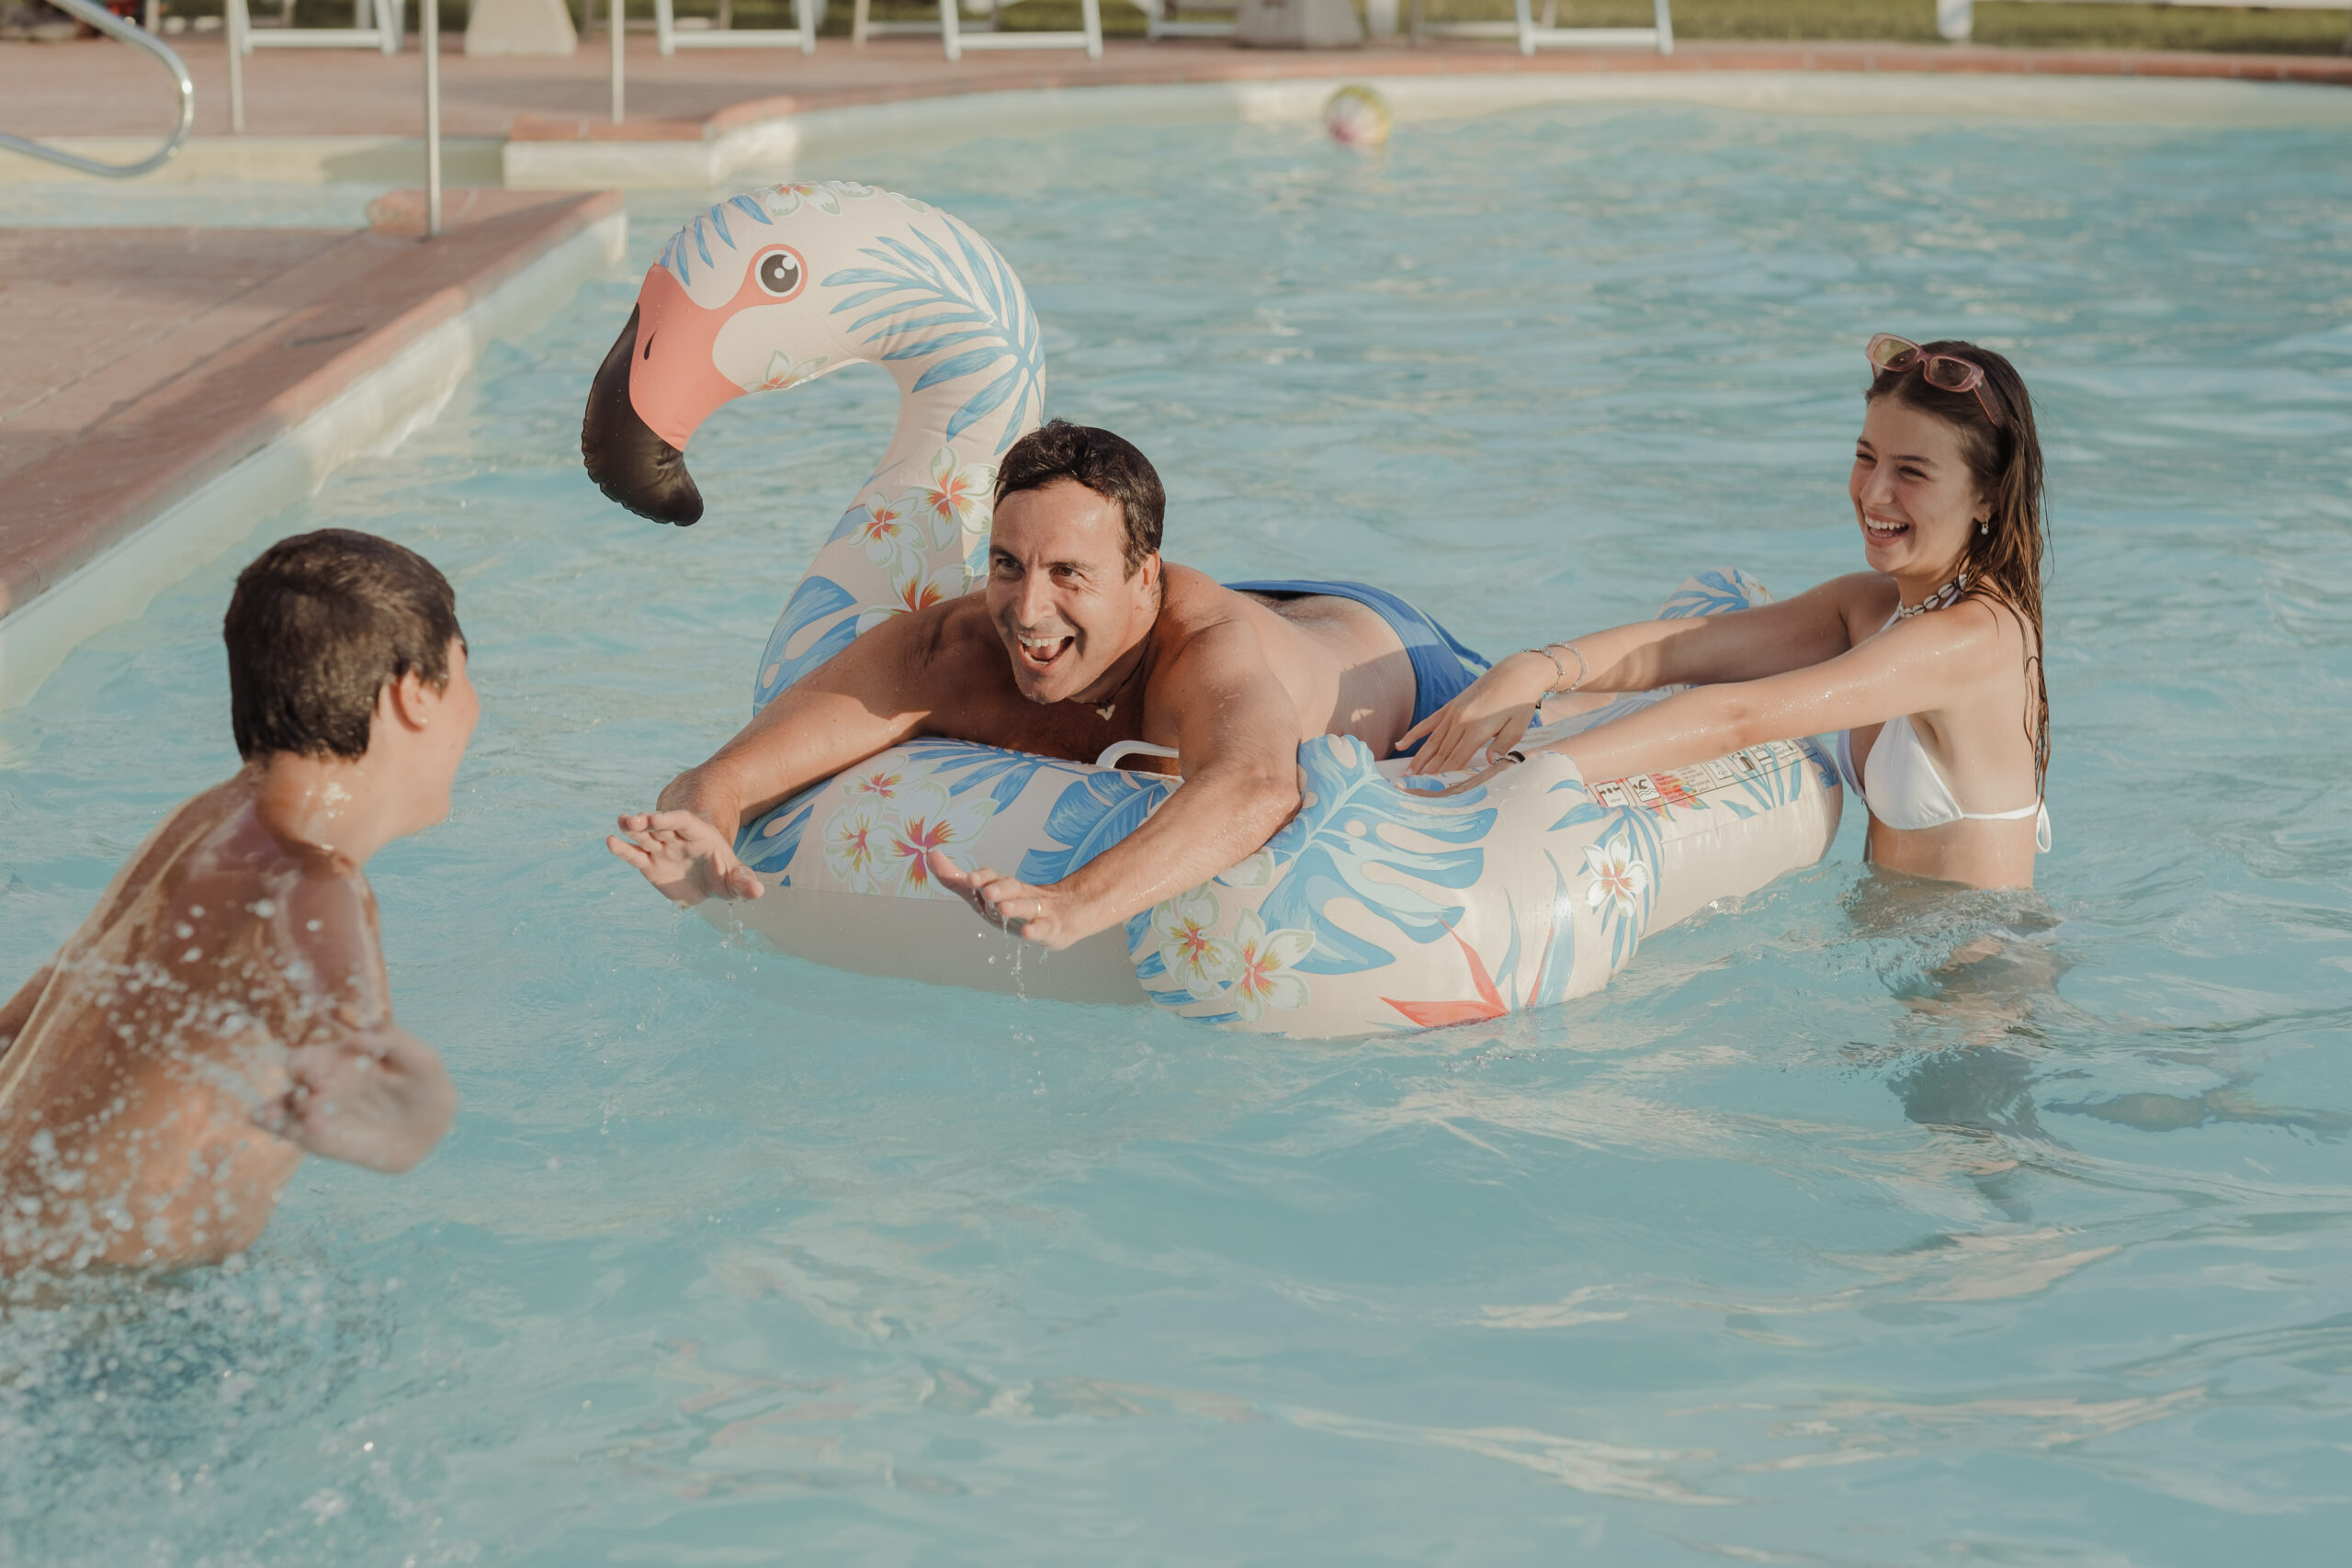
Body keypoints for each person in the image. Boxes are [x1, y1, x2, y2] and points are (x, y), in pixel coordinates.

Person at [609, 420, 1490, 948]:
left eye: (1067, 572)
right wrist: (699, 830)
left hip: (1389, 656)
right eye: (1007, 564)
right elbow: (727, 773)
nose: (1027, 611)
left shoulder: (1203, 651)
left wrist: (1073, 903)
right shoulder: (958, 650)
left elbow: (1258, 783)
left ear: (1147, 577)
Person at [1404, 335, 2052, 891]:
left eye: (1911, 470)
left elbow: (1739, 716)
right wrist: (1538, 668)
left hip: (1977, 996)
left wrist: (1527, 773)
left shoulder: (1974, 637)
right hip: (1892, 985)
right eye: (1865, 456)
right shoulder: (1873, 605)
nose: (1873, 491)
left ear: (1986, 496)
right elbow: (1689, 648)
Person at [0, 530, 469, 1272]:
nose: (472, 712)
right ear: (414, 693)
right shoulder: (315, 884)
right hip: (75, 1311)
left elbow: (22, 1021)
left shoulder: (206, 822)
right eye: (467, 678)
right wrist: (423, 1114)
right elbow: (368, 1099)